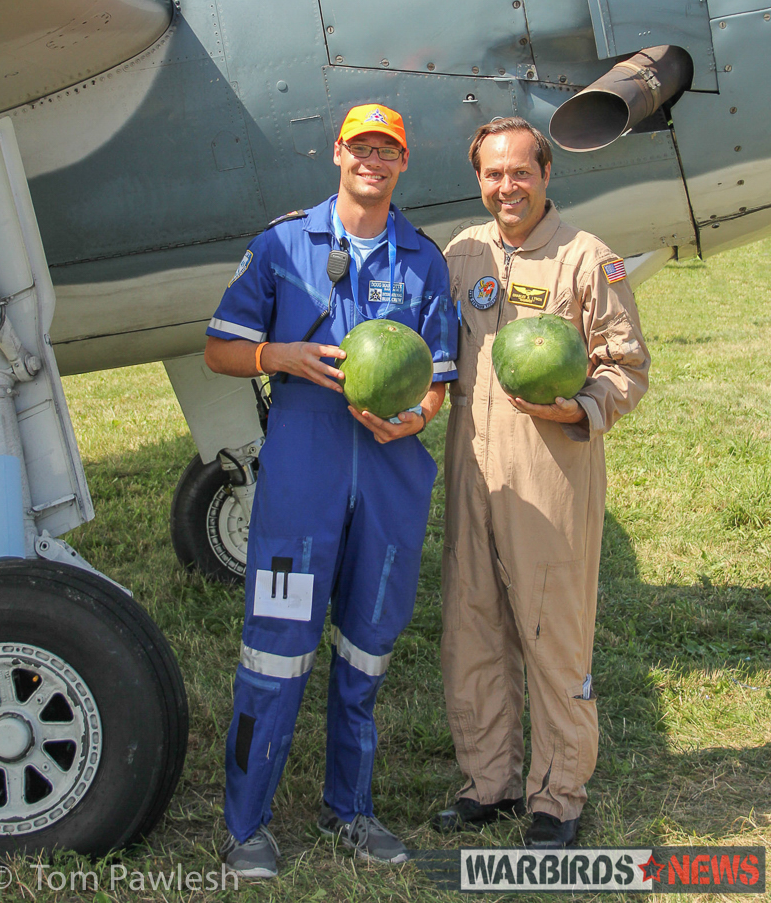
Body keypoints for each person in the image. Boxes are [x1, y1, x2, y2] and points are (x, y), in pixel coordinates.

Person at [205, 103, 458, 877]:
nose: (372, 161)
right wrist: (277, 354)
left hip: (389, 480)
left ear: (403, 163)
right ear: (337, 154)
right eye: (360, 148)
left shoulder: (423, 259)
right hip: (302, 487)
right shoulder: (283, 244)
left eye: (388, 150)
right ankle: (246, 828)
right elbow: (220, 349)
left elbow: (439, 378)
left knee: (366, 654)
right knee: (274, 654)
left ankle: (350, 810)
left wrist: (415, 415)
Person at [435, 117, 649, 848]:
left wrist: (580, 407)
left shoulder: (588, 261)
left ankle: (558, 795)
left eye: (520, 172)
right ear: (479, 180)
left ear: (546, 173)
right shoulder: (462, 252)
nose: (507, 187)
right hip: (473, 471)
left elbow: (627, 369)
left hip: (551, 468)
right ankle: (487, 784)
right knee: (474, 627)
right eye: (493, 175)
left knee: (552, 632)